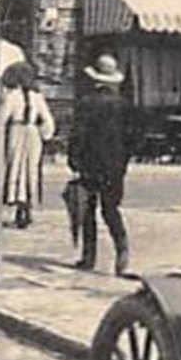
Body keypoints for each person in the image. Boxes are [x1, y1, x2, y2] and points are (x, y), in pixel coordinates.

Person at [70, 54, 133, 275]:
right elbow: (133, 136)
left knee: (88, 210)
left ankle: (89, 257)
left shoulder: (87, 103)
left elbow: (78, 135)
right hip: (115, 164)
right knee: (111, 209)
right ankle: (122, 248)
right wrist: (125, 158)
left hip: (90, 163)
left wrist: (74, 158)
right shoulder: (124, 106)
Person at [0, 61, 56, 229]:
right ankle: (27, 206)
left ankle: (19, 206)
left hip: (17, 132)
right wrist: (45, 134)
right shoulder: (37, 97)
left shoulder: (11, 97)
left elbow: (0, 120)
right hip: (33, 133)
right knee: (31, 170)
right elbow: (48, 121)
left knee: (16, 168)